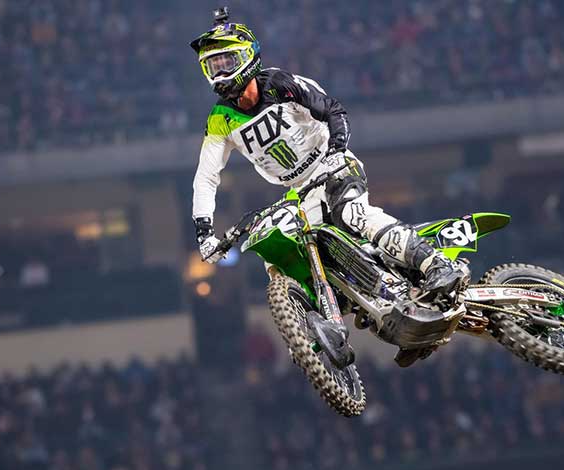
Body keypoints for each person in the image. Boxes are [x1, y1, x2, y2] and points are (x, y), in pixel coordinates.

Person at [189, 8, 468, 301]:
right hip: (298, 192)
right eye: (212, 66)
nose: (220, 74)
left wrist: (337, 150)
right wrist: (205, 233)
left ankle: (436, 264)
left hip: (332, 165)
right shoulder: (219, 120)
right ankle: (321, 316)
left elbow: (333, 110)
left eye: (226, 62)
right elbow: (206, 178)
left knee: (351, 214)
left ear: (247, 57)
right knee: (275, 252)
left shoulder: (281, 84)